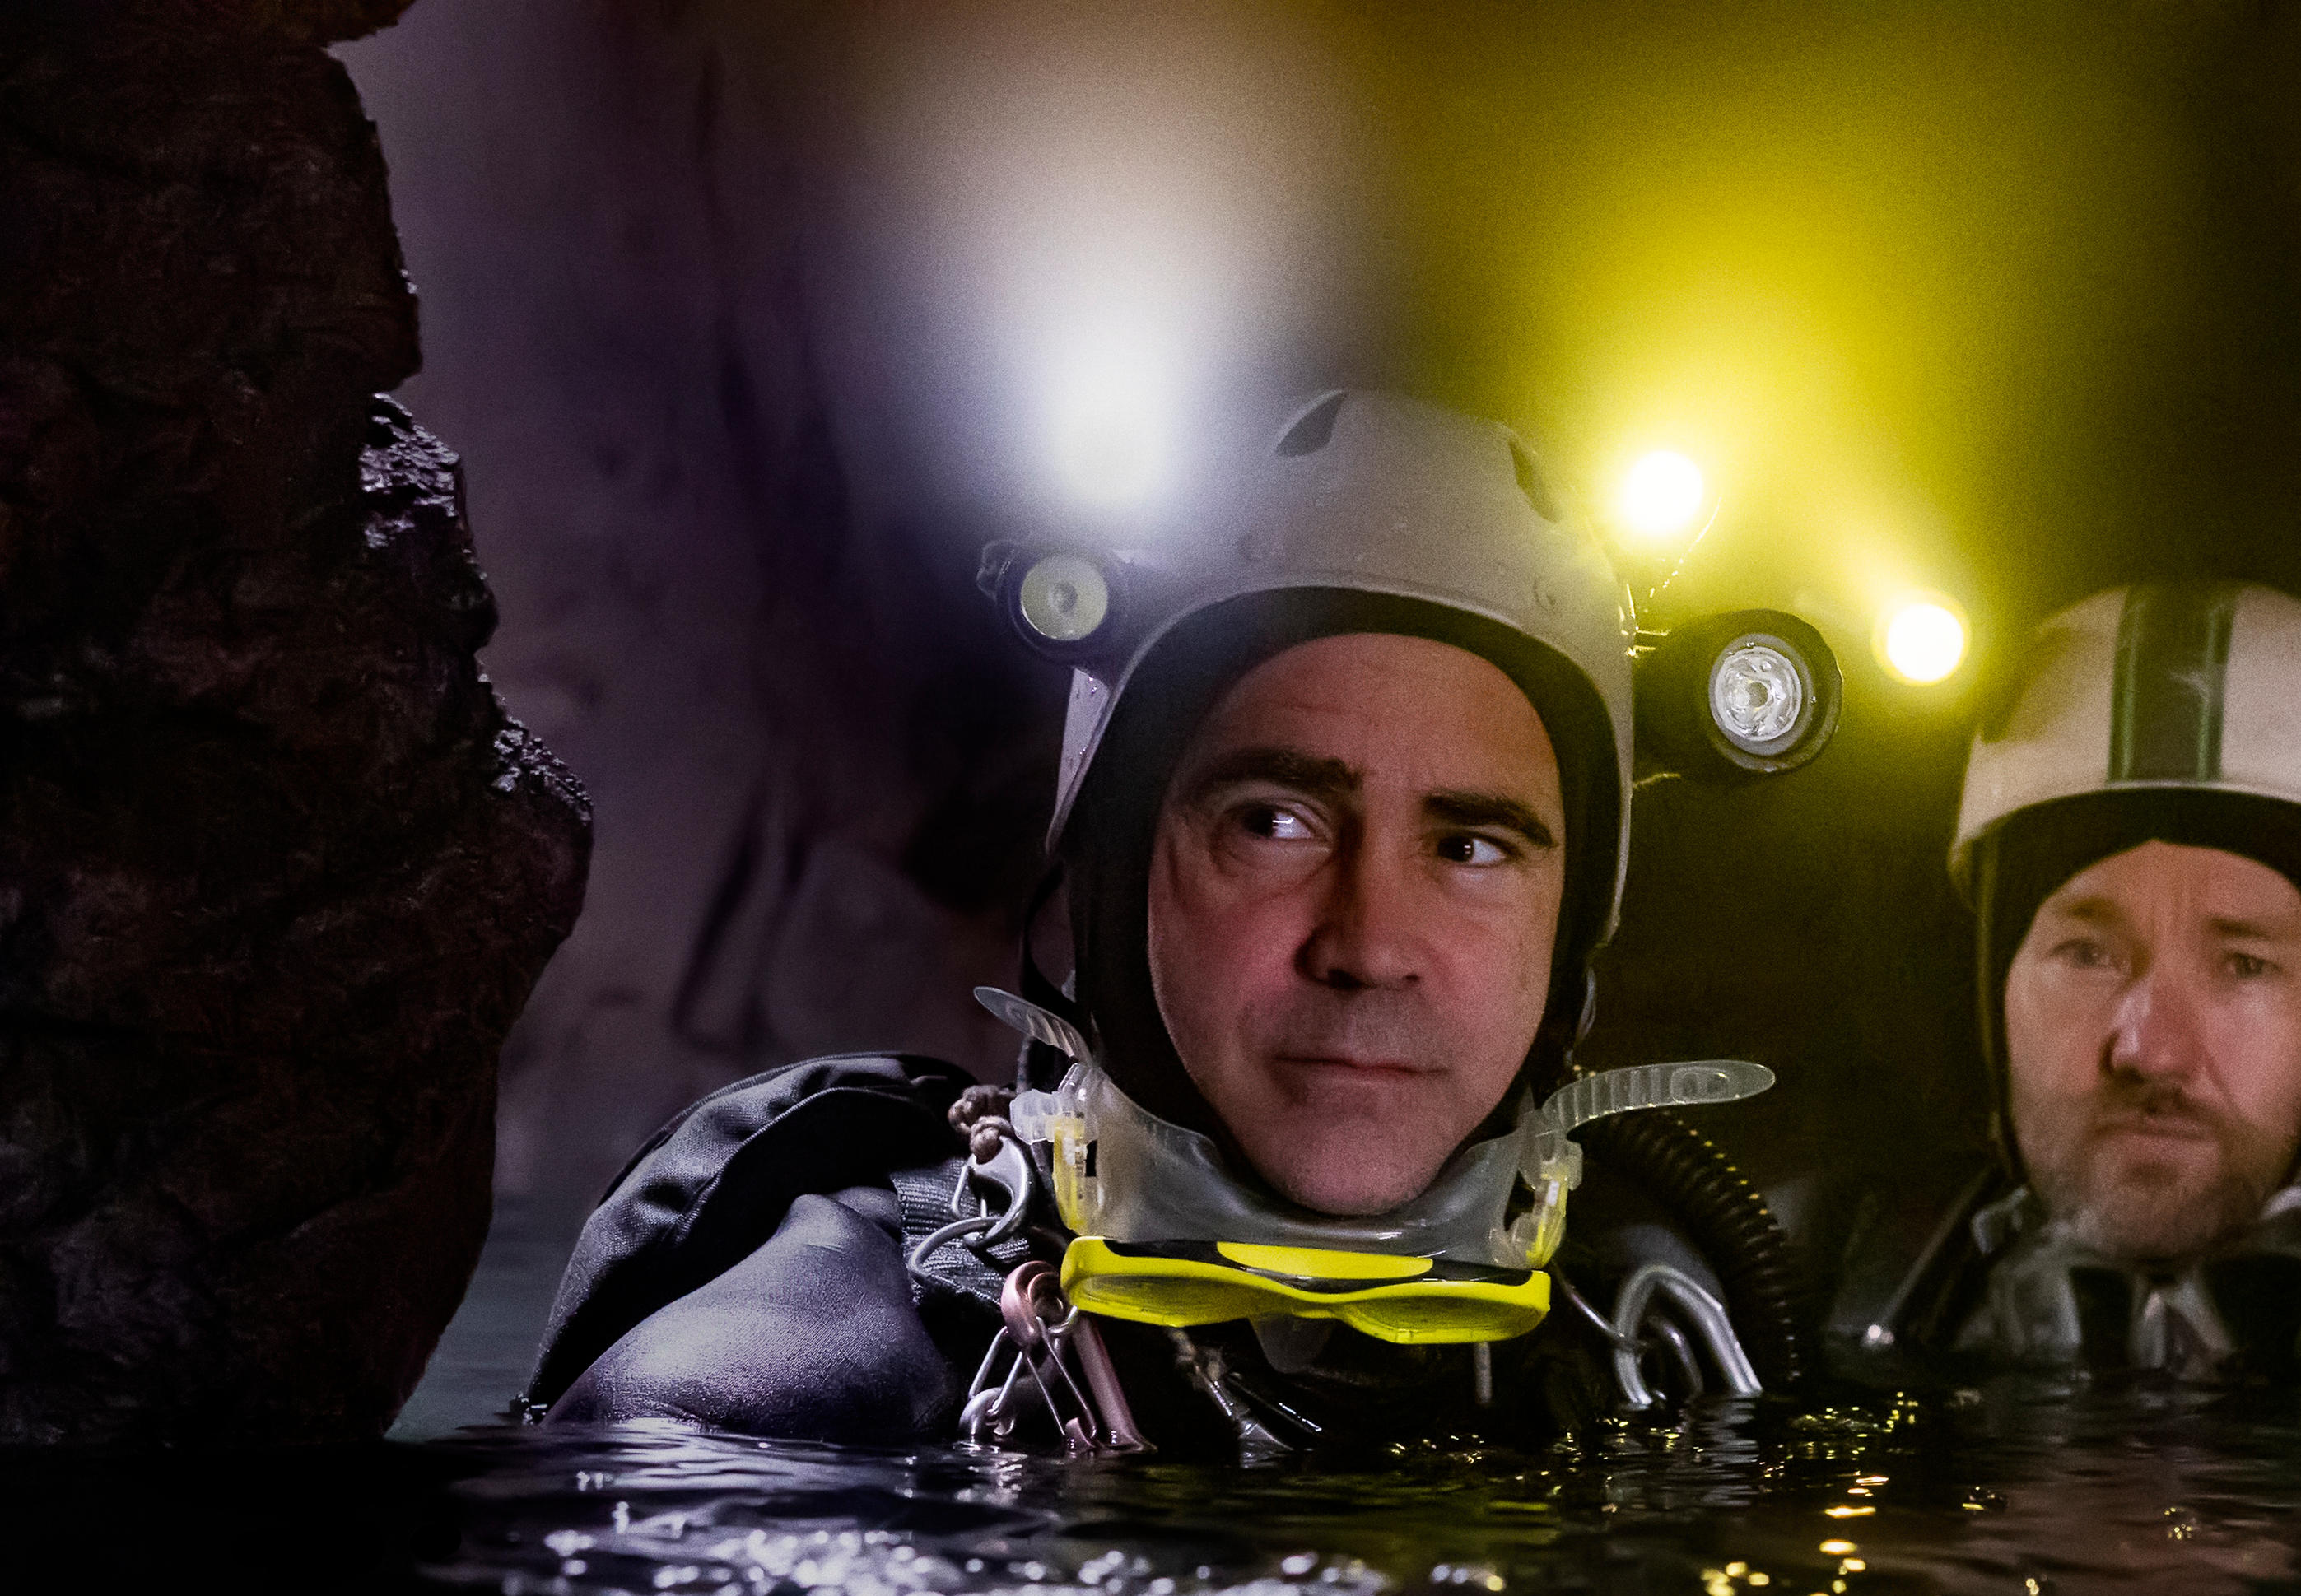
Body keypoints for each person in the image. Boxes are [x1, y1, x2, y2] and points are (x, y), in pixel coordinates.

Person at [526, 390, 1835, 1452]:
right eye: (1274, 822)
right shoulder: (778, 1402)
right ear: (1109, 869)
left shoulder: (1668, 1342)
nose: (1369, 945)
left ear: (1574, 928)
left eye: (1473, 845)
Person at [1825, 582, 2301, 1380]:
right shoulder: (1791, 1295)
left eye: (2243, 965)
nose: (2150, 1053)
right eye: (2087, 954)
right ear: (1990, 997)